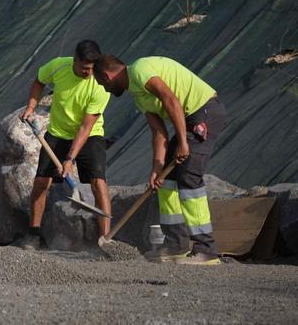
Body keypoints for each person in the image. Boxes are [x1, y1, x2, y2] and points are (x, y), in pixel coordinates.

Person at [93, 55, 224, 265]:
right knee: (167, 180)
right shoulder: (138, 95)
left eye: (102, 84)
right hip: (188, 119)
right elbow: (158, 132)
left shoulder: (139, 69)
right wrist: (157, 167)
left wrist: (182, 141)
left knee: (188, 176)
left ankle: (206, 249)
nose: (105, 89)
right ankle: (176, 245)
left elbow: (170, 99)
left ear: (107, 76)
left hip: (204, 111)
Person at [17, 40, 112, 250]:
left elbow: (85, 128)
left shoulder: (101, 84)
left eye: (92, 68)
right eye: (85, 68)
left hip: (90, 134)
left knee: (99, 183)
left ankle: (106, 239)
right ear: (75, 61)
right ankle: (33, 234)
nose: (89, 73)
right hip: (58, 132)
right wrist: (31, 106)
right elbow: (39, 81)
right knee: (42, 182)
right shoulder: (59, 65)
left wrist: (69, 160)